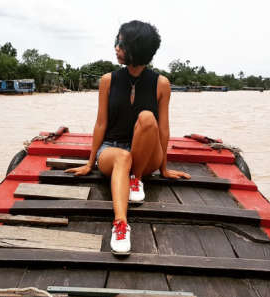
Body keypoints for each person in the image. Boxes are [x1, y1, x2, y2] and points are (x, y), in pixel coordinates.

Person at [65, 20, 191, 256]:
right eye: (116, 41)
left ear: (136, 47)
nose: (115, 47)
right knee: (123, 156)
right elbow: (101, 123)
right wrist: (89, 163)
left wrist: (164, 168)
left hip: (146, 157)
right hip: (112, 151)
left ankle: (136, 178)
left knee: (147, 118)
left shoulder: (161, 83)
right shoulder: (108, 81)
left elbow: (163, 129)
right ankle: (121, 224)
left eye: (120, 43)